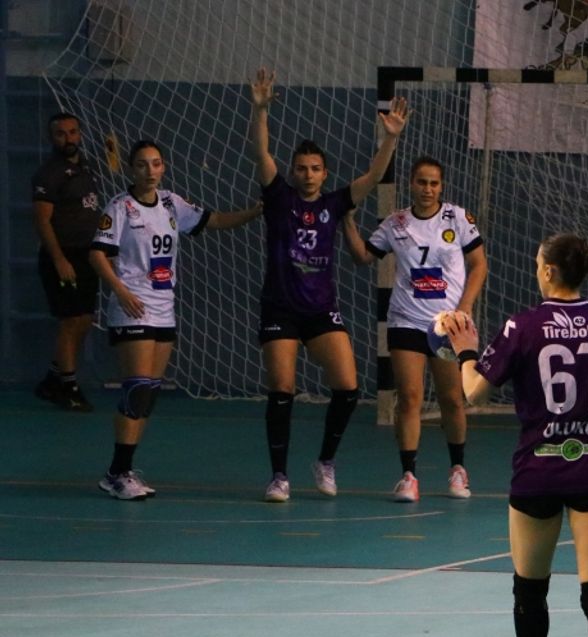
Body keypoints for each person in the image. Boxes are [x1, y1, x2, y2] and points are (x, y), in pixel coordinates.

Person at [442, 233, 588, 637]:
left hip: (539, 470)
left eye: (537, 264)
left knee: (530, 587)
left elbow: (474, 393)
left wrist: (464, 349)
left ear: (549, 271)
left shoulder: (523, 326)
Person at [247, 67, 411, 502]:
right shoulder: (279, 197)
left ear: (325, 173)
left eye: (315, 169)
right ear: (293, 171)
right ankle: (279, 476)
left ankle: (325, 461)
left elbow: (372, 177)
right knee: (282, 389)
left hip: (321, 310)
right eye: (301, 168)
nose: (307, 174)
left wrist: (390, 139)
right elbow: (260, 153)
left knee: (348, 388)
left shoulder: (336, 203)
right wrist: (259, 110)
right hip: (280, 309)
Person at [89, 141, 261, 500]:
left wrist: (255, 212)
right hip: (134, 307)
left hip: (164, 307)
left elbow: (214, 220)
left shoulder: (170, 203)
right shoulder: (120, 207)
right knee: (136, 389)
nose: (149, 171)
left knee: (148, 394)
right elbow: (97, 254)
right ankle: (118, 473)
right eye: (141, 164)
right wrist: (120, 290)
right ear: (131, 169)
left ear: (163, 167)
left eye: (155, 164)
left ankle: (121, 470)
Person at [342, 156, 489, 502]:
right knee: (409, 398)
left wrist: (465, 307)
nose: (427, 189)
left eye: (434, 183)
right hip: (405, 319)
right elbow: (363, 257)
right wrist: (346, 221)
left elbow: (479, 264)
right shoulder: (396, 223)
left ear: (442, 186)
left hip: (446, 324)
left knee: (451, 398)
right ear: (411, 183)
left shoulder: (458, 218)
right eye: (422, 182)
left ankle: (458, 470)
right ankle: (408, 476)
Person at [32, 112, 102, 411]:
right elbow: (42, 221)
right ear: (52, 138)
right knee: (70, 321)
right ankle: (68, 387)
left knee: (84, 319)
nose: (68, 138)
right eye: (61, 133)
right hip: (62, 257)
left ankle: (52, 379)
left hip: (87, 256)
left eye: (73, 132)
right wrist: (60, 260)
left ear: (80, 135)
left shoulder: (86, 167)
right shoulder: (48, 175)